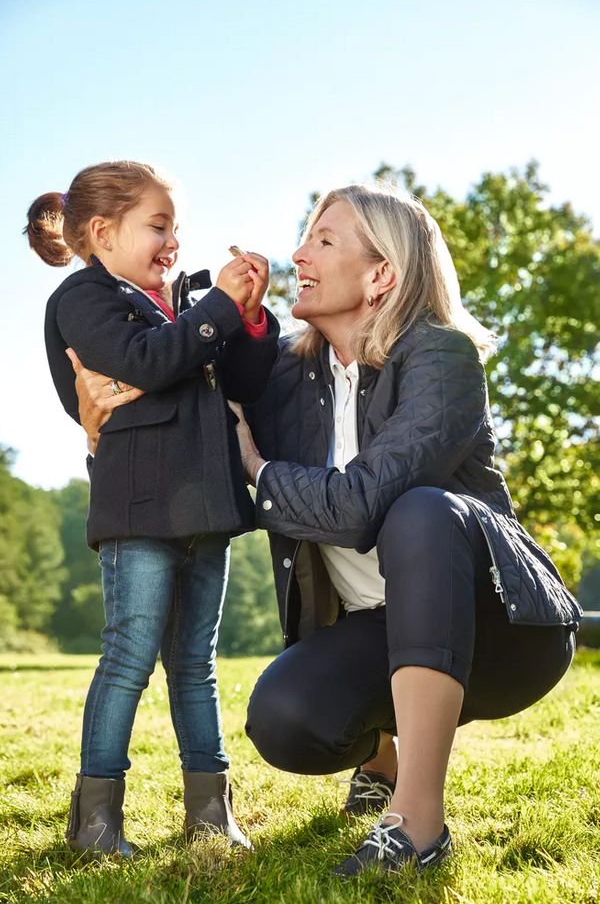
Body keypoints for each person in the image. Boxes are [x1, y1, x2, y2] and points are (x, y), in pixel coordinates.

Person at [72, 183, 581, 877]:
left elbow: (365, 502)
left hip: (503, 632)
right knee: (286, 720)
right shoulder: (285, 373)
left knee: (419, 509)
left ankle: (418, 823)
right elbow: (177, 395)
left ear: (381, 276)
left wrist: (259, 469)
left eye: (323, 241)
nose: (297, 255)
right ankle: (381, 755)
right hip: (375, 625)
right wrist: (93, 409)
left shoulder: (441, 356)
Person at [25, 160, 279, 856]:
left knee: (194, 661)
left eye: (178, 229)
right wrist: (216, 313)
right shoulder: (82, 301)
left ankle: (210, 813)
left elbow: (247, 382)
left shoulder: (187, 306)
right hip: (137, 510)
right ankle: (98, 819)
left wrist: (250, 320)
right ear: (103, 233)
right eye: (158, 226)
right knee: (128, 657)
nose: (173, 242)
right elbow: (144, 361)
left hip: (206, 509)